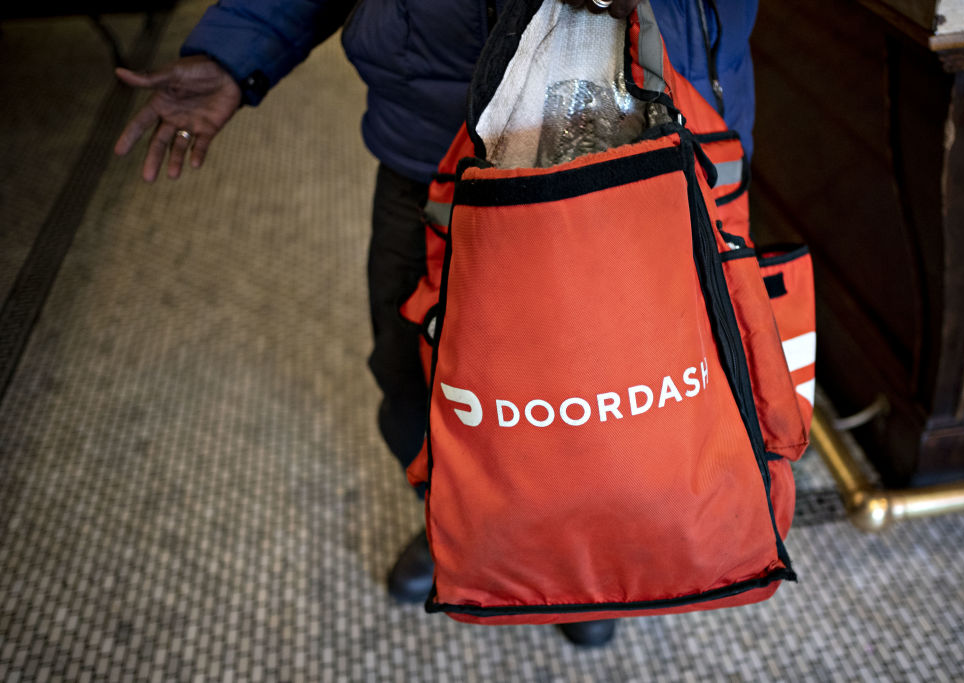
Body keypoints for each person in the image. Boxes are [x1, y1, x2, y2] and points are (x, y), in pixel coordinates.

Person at [114, 0, 758, 647]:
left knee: (630, 392)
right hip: (433, 148)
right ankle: (456, 522)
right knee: (421, 378)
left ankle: (597, 560)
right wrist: (238, 47)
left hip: (649, 141)